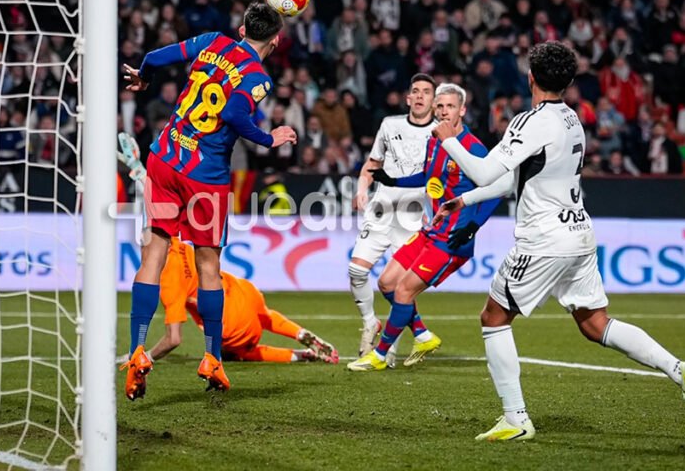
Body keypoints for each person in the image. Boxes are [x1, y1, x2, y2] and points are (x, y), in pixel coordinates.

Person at [434, 42, 685, 441]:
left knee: (493, 318)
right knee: (595, 323)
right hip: (579, 234)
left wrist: (448, 138)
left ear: (531, 77)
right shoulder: (571, 119)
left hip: (543, 240)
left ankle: (515, 418)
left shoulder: (530, 122)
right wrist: (465, 200)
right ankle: (677, 367)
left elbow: (482, 170)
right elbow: (518, 175)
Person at [120, 3, 298, 400]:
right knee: (208, 266)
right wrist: (272, 138)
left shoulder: (212, 41)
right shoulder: (257, 77)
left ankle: (136, 351)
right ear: (276, 40)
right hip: (204, 177)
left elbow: (152, 58)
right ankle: (213, 358)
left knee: (154, 255)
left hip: (165, 159)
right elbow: (236, 115)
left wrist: (144, 79)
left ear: (240, 29)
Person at [347, 83, 500, 372]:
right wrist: (393, 181)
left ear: (462, 110)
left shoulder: (474, 148)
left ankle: (379, 356)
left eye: (450, 106)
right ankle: (422, 335)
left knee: (404, 292)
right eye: (439, 106)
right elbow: (428, 176)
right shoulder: (435, 140)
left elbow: (498, 190)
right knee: (386, 283)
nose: (443, 111)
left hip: (453, 239)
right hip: (432, 231)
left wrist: (473, 227)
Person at [130, 238, 339, 364]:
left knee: (240, 352)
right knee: (264, 316)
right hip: (244, 290)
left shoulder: (168, 283)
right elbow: (162, 209)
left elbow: (173, 339)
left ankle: (301, 355)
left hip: (232, 322)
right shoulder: (176, 243)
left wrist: (144, 356)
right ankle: (299, 332)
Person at [349, 74, 437, 361]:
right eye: (416, 91)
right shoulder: (390, 124)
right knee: (357, 271)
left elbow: (443, 181)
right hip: (381, 209)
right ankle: (370, 321)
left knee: (399, 286)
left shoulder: (441, 133)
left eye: (426, 92)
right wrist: (362, 189)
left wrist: (435, 214)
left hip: (412, 219)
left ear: (434, 101)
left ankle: (394, 343)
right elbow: (372, 165)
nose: (421, 96)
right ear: (408, 98)